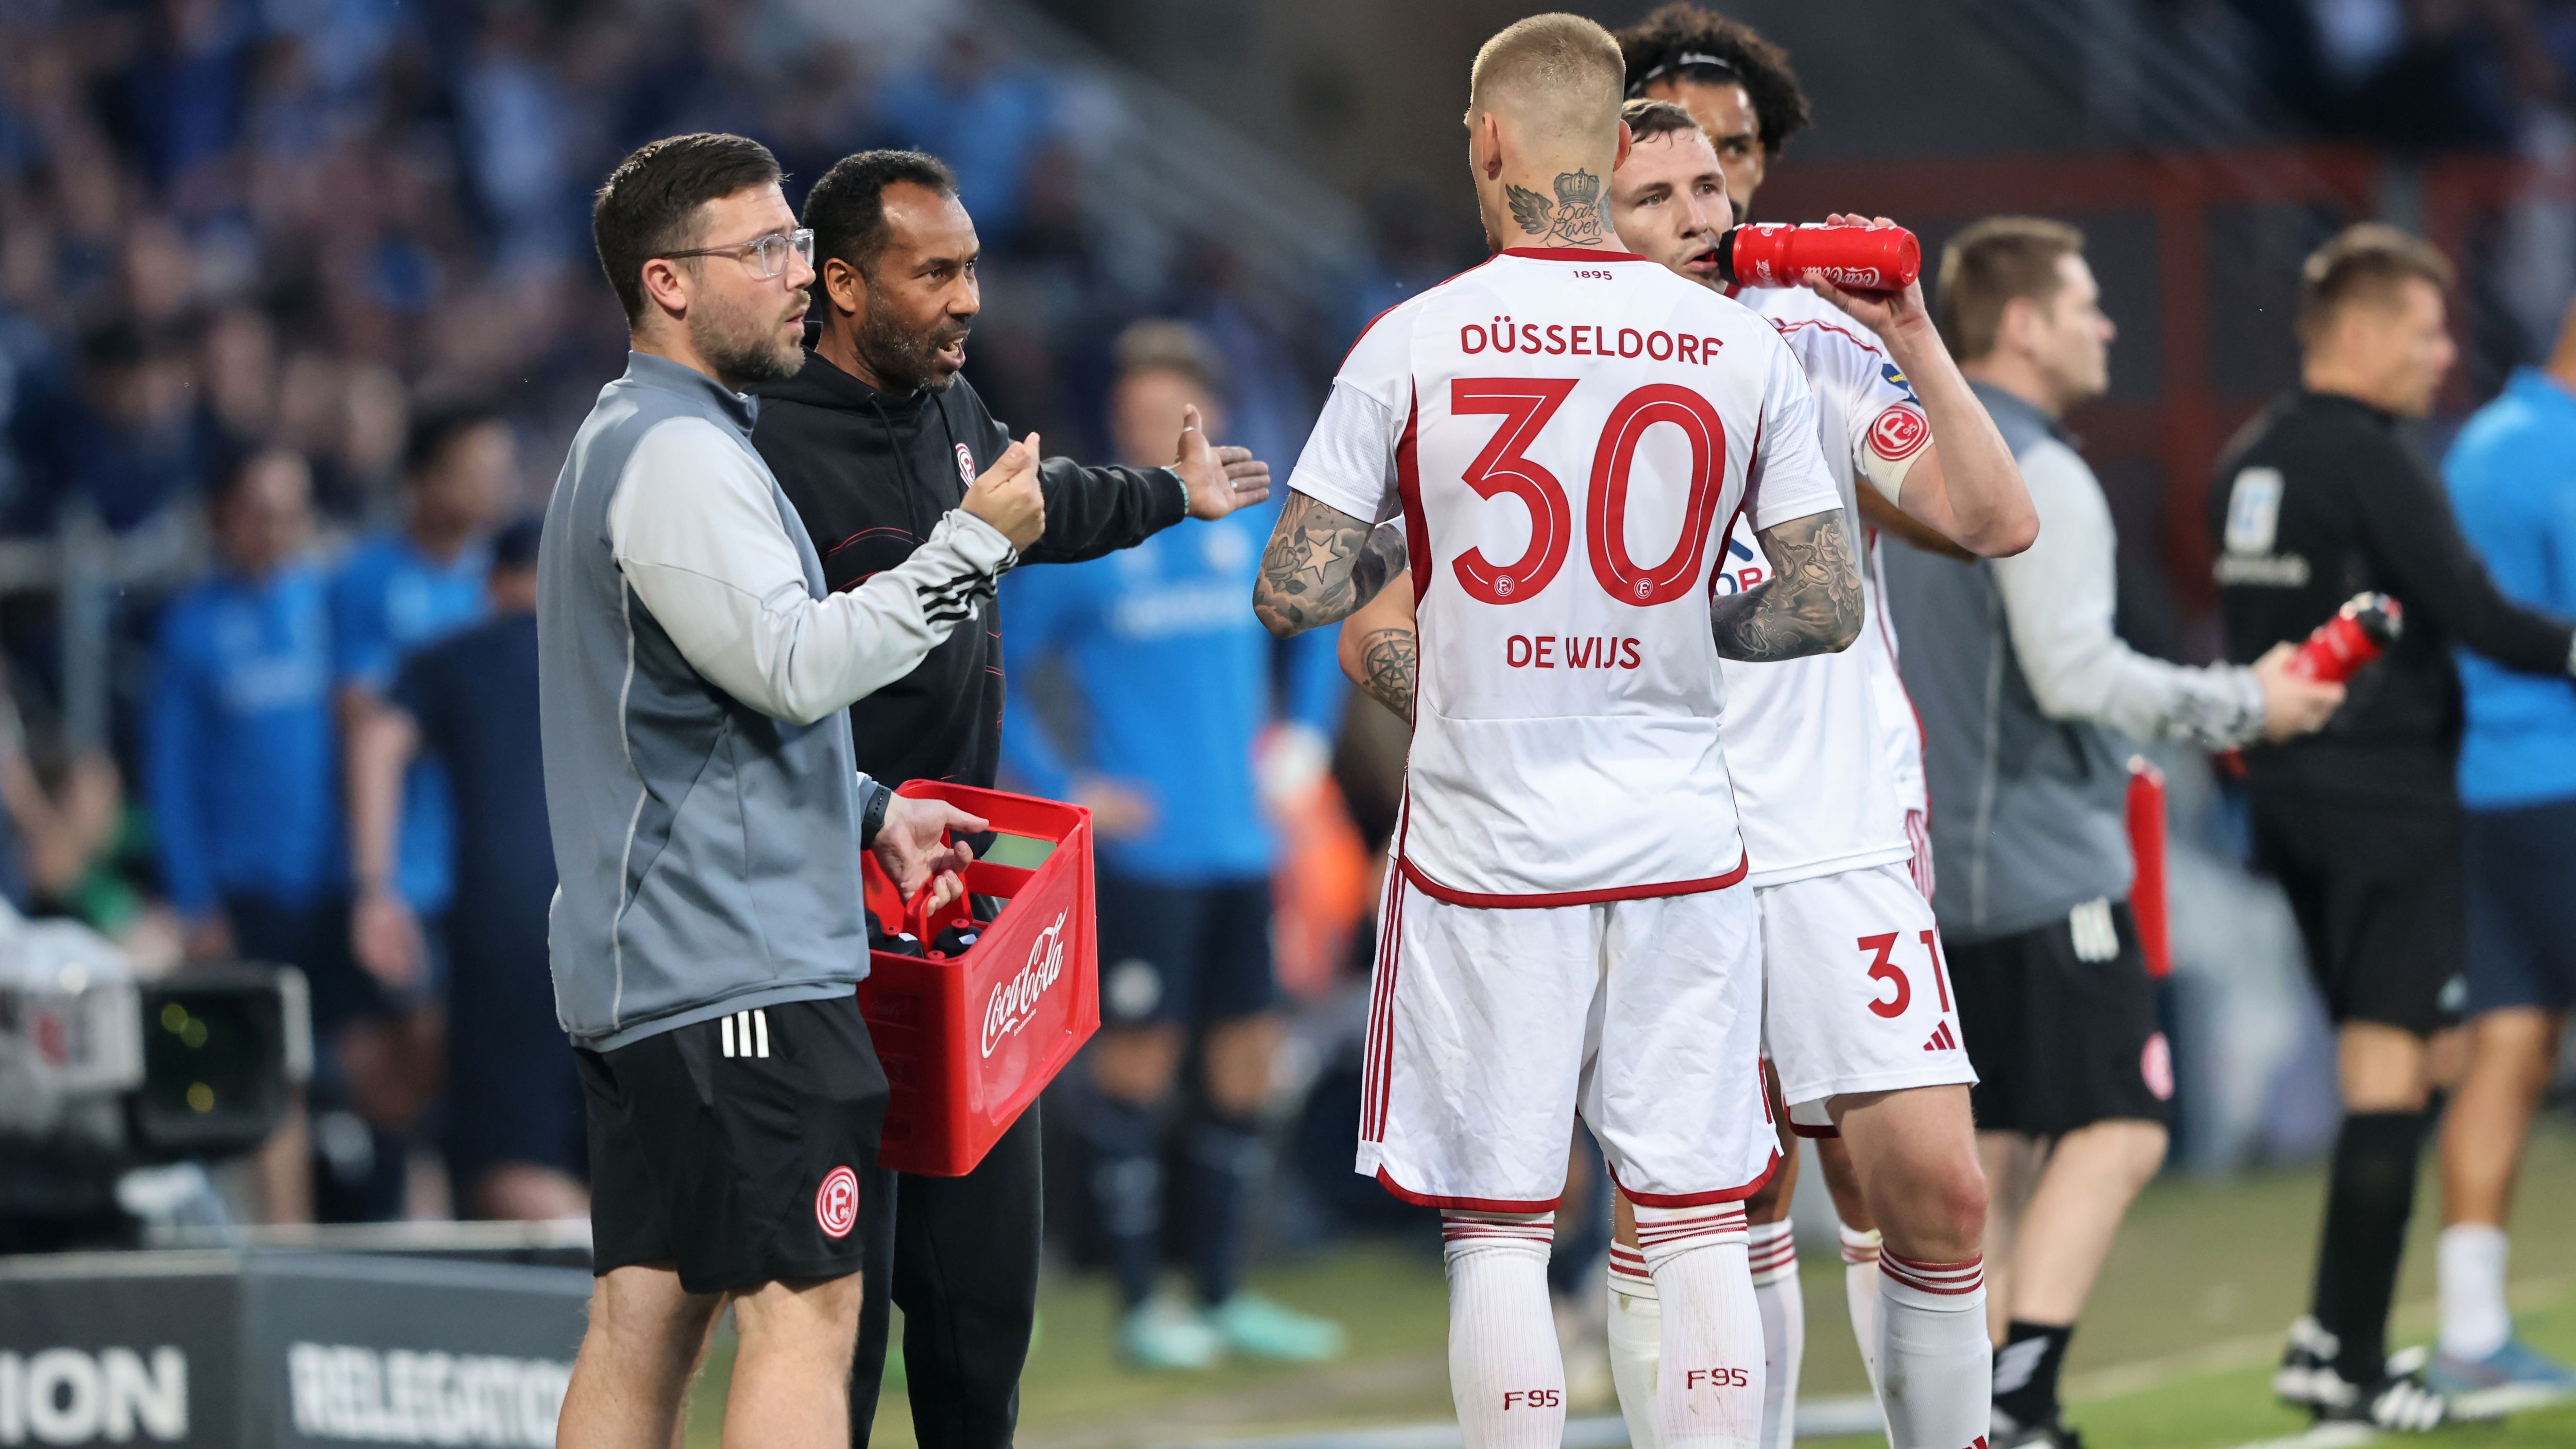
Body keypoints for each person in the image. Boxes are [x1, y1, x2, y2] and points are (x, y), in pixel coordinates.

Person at [1342, 96, 2039, 1449]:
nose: (1704, 216)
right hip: (1649, 856)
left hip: (1836, 839)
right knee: (1689, 1214)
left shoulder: (1822, 346)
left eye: (1712, 187)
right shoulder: (1524, 380)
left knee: (1942, 1192)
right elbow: (1377, 622)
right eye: (1657, 195)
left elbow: (1992, 516)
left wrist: (1909, 329)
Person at [1257, 15, 1859, 1445]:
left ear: (1488, 142)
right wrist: (1668, 642)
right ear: (1618, 150)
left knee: (1503, 1223)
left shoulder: (1415, 337)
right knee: (1702, 1209)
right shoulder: (1732, 343)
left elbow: (1294, 589)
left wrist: (1439, 553)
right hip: (1679, 837)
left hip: (1489, 844)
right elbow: (1823, 600)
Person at [745, 149, 1271, 1446]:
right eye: (937, 273)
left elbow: (1041, 505)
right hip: (826, 908)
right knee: (839, 1297)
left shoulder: (950, 405)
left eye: (973, 266)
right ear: (845, 285)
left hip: (959, 906)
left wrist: (1171, 496)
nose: (969, 296)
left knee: (983, 1288)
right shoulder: (761, 451)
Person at [543, 132, 1040, 1449]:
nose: (799, 278)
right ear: (667, 283)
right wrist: (976, 541)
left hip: (653, 966)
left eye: (796, 248)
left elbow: (699, 709)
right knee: (807, 1311)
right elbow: (795, 667)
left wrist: (871, 810)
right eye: (762, 252)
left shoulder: (640, 438)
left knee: (645, 1318)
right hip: (738, 968)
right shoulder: (681, 456)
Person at [1880, 218, 2344, 1448]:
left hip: (1934, 868)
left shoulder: (1907, 452)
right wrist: (2250, 699)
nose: (2108, 325)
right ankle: (2019, 1399)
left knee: (2001, 1152)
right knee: (2124, 1126)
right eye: (2085, 304)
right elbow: (2077, 672)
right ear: (2023, 324)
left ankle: (1969, 1409)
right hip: (2040, 863)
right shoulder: (2039, 468)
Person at [2209, 225, 2576, 1426]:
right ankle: (2349, 1359)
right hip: (2387, 806)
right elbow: (2469, 608)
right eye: (2424, 330)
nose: (2442, 353)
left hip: (2292, 805)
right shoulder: (2371, 456)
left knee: (2419, 1062)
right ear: (2360, 334)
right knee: (2391, 1074)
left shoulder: (2246, 460)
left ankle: (2336, 1335)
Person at [1001, 320, 1345, 1369]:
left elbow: (1322, 625)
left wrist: (1307, 740)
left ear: (1213, 413)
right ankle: (1143, 1306)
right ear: (1116, 419)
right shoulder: (1089, 535)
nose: (1153, 425)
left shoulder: (1252, 519)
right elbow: (996, 671)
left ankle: (1223, 1290)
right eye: (1137, 410)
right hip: (1143, 858)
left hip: (1244, 847)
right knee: (1138, 1073)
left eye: (1173, 408)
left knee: (1245, 1067)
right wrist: (1067, 790)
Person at [346, 515, 584, 1222]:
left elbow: (376, 740)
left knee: (504, 1161)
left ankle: (624, 1290)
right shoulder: (625, 655)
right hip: (632, 924)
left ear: (490, 583)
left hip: (511, 926)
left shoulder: (460, 653)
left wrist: (374, 891)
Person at [2428, 295, 2576, 1403]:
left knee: (2508, 1044)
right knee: (2508, 1047)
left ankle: (2471, 1329)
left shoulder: (2483, 443)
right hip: (2560, 787)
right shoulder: (2552, 457)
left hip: (2481, 790)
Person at [329, 402, 514, 1218]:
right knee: (416, 1048)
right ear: (422, 480)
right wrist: (378, 879)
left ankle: (430, 1209)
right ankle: (402, 1212)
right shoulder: (367, 584)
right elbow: (363, 727)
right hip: (410, 862)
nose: (494, 486)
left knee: (460, 1053)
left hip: (489, 864)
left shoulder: (501, 581)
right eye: (475, 468)